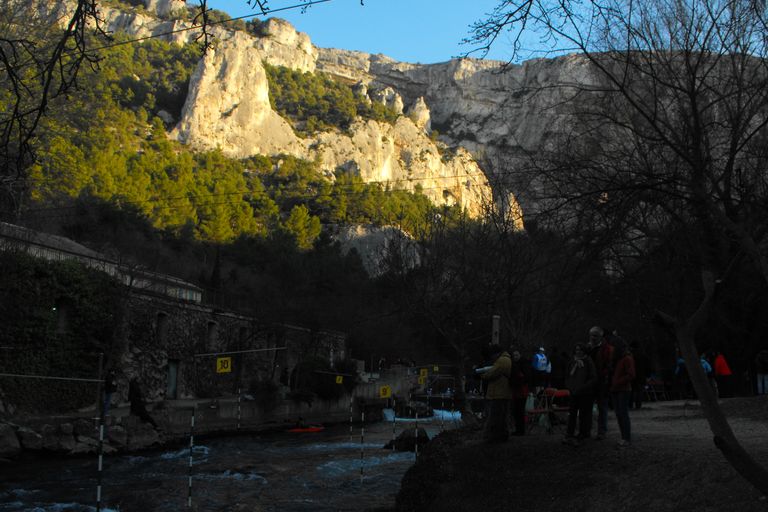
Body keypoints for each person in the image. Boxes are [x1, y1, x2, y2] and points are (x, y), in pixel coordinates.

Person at [476, 344, 513, 443]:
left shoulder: (502, 361)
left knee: (495, 417)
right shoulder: (506, 359)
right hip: (502, 392)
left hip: (498, 393)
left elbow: (492, 373)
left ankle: (493, 437)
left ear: (496, 353)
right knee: (502, 417)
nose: (492, 357)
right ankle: (502, 435)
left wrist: (482, 375)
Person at [563, 343, 597, 446]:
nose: (578, 352)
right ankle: (569, 434)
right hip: (573, 392)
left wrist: (583, 387)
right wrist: (569, 387)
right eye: (576, 350)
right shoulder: (572, 362)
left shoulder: (588, 362)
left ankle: (583, 434)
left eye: (580, 350)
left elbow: (593, 378)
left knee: (584, 415)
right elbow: (568, 376)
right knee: (572, 414)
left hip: (585, 393)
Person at [588, 326, 613, 440]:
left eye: (595, 335)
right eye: (591, 335)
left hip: (601, 382)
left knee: (602, 408)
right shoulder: (587, 347)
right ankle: (587, 430)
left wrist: (602, 375)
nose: (592, 337)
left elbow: (609, 365)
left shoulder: (607, 349)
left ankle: (601, 431)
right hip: (590, 382)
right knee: (587, 407)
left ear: (600, 337)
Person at [609, 337, 635, 447]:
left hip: (623, 390)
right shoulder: (616, 359)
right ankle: (624, 437)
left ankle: (626, 438)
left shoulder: (627, 358)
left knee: (623, 414)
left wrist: (618, 382)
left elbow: (631, 375)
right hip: (615, 389)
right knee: (619, 414)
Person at [508, 349, 529, 436]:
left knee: (519, 411)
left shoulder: (522, 365)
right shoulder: (518, 365)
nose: (515, 357)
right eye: (514, 355)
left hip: (521, 391)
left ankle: (520, 430)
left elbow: (524, 378)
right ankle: (519, 429)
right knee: (517, 411)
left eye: (517, 355)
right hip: (518, 391)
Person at [630, 342, 650, 409]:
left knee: (632, 391)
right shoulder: (643, 355)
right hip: (641, 376)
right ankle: (638, 405)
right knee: (640, 391)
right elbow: (648, 366)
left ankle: (630, 405)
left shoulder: (630, 355)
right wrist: (647, 375)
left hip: (632, 376)